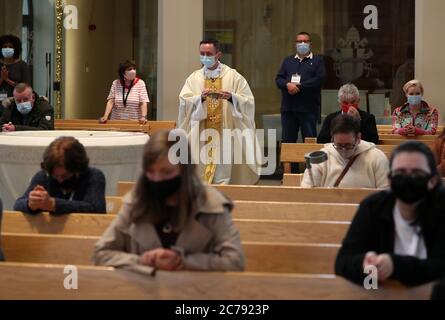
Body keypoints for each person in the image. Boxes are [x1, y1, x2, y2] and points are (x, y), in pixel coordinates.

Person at [93, 129, 245, 272]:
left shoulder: (211, 205)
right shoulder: (135, 202)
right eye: (151, 172)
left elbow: (235, 261)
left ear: (184, 170)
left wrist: (182, 261)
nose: (157, 179)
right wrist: (141, 261)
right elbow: (101, 252)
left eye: (166, 172)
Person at [335, 141, 445, 286]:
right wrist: (366, 265)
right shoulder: (373, 207)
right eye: (400, 173)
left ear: (432, 180)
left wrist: (395, 266)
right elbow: (342, 263)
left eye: (417, 173)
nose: (408, 179)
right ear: (390, 179)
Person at [178, 39, 261, 185]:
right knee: (199, 169)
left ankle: (223, 197)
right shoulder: (194, 78)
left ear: (218, 54)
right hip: (202, 133)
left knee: (223, 168)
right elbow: (184, 101)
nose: (205, 57)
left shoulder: (233, 76)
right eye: (202, 53)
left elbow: (248, 101)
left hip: (225, 131)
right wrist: (200, 98)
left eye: (208, 53)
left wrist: (231, 97)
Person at [14, 136, 106, 215]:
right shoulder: (44, 176)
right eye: (55, 176)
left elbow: (96, 209)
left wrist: (53, 204)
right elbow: (18, 205)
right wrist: (31, 204)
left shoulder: (93, 176)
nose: (60, 180)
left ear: (78, 169)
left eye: (65, 176)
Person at [275, 31, 326, 172]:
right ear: (295, 44)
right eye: (299, 41)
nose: (302, 44)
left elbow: (319, 80)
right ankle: (291, 174)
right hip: (289, 109)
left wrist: (299, 86)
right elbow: (278, 79)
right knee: (289, 143)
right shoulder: (288, 61)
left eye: (305, 41)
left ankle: (313, 174)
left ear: (310, 44)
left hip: (308, 109)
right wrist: (287, 85)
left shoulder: (317, 61)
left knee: (309, 142)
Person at [301, 114, 389, 188]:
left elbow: (386, 195)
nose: (343, 150)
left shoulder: (377, 158)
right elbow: (308, 193)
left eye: (348, 145)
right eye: (339, 145)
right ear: (332, 139)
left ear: (358, 138)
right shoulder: (321, 159)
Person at [0, 35, 30, 103]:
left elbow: (26, 87)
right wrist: (2, 78)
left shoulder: (22, 65)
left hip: (17, 101)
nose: (7, 48)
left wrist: (7, 80)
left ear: (15, 49)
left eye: (11, 47)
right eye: (4, 46)